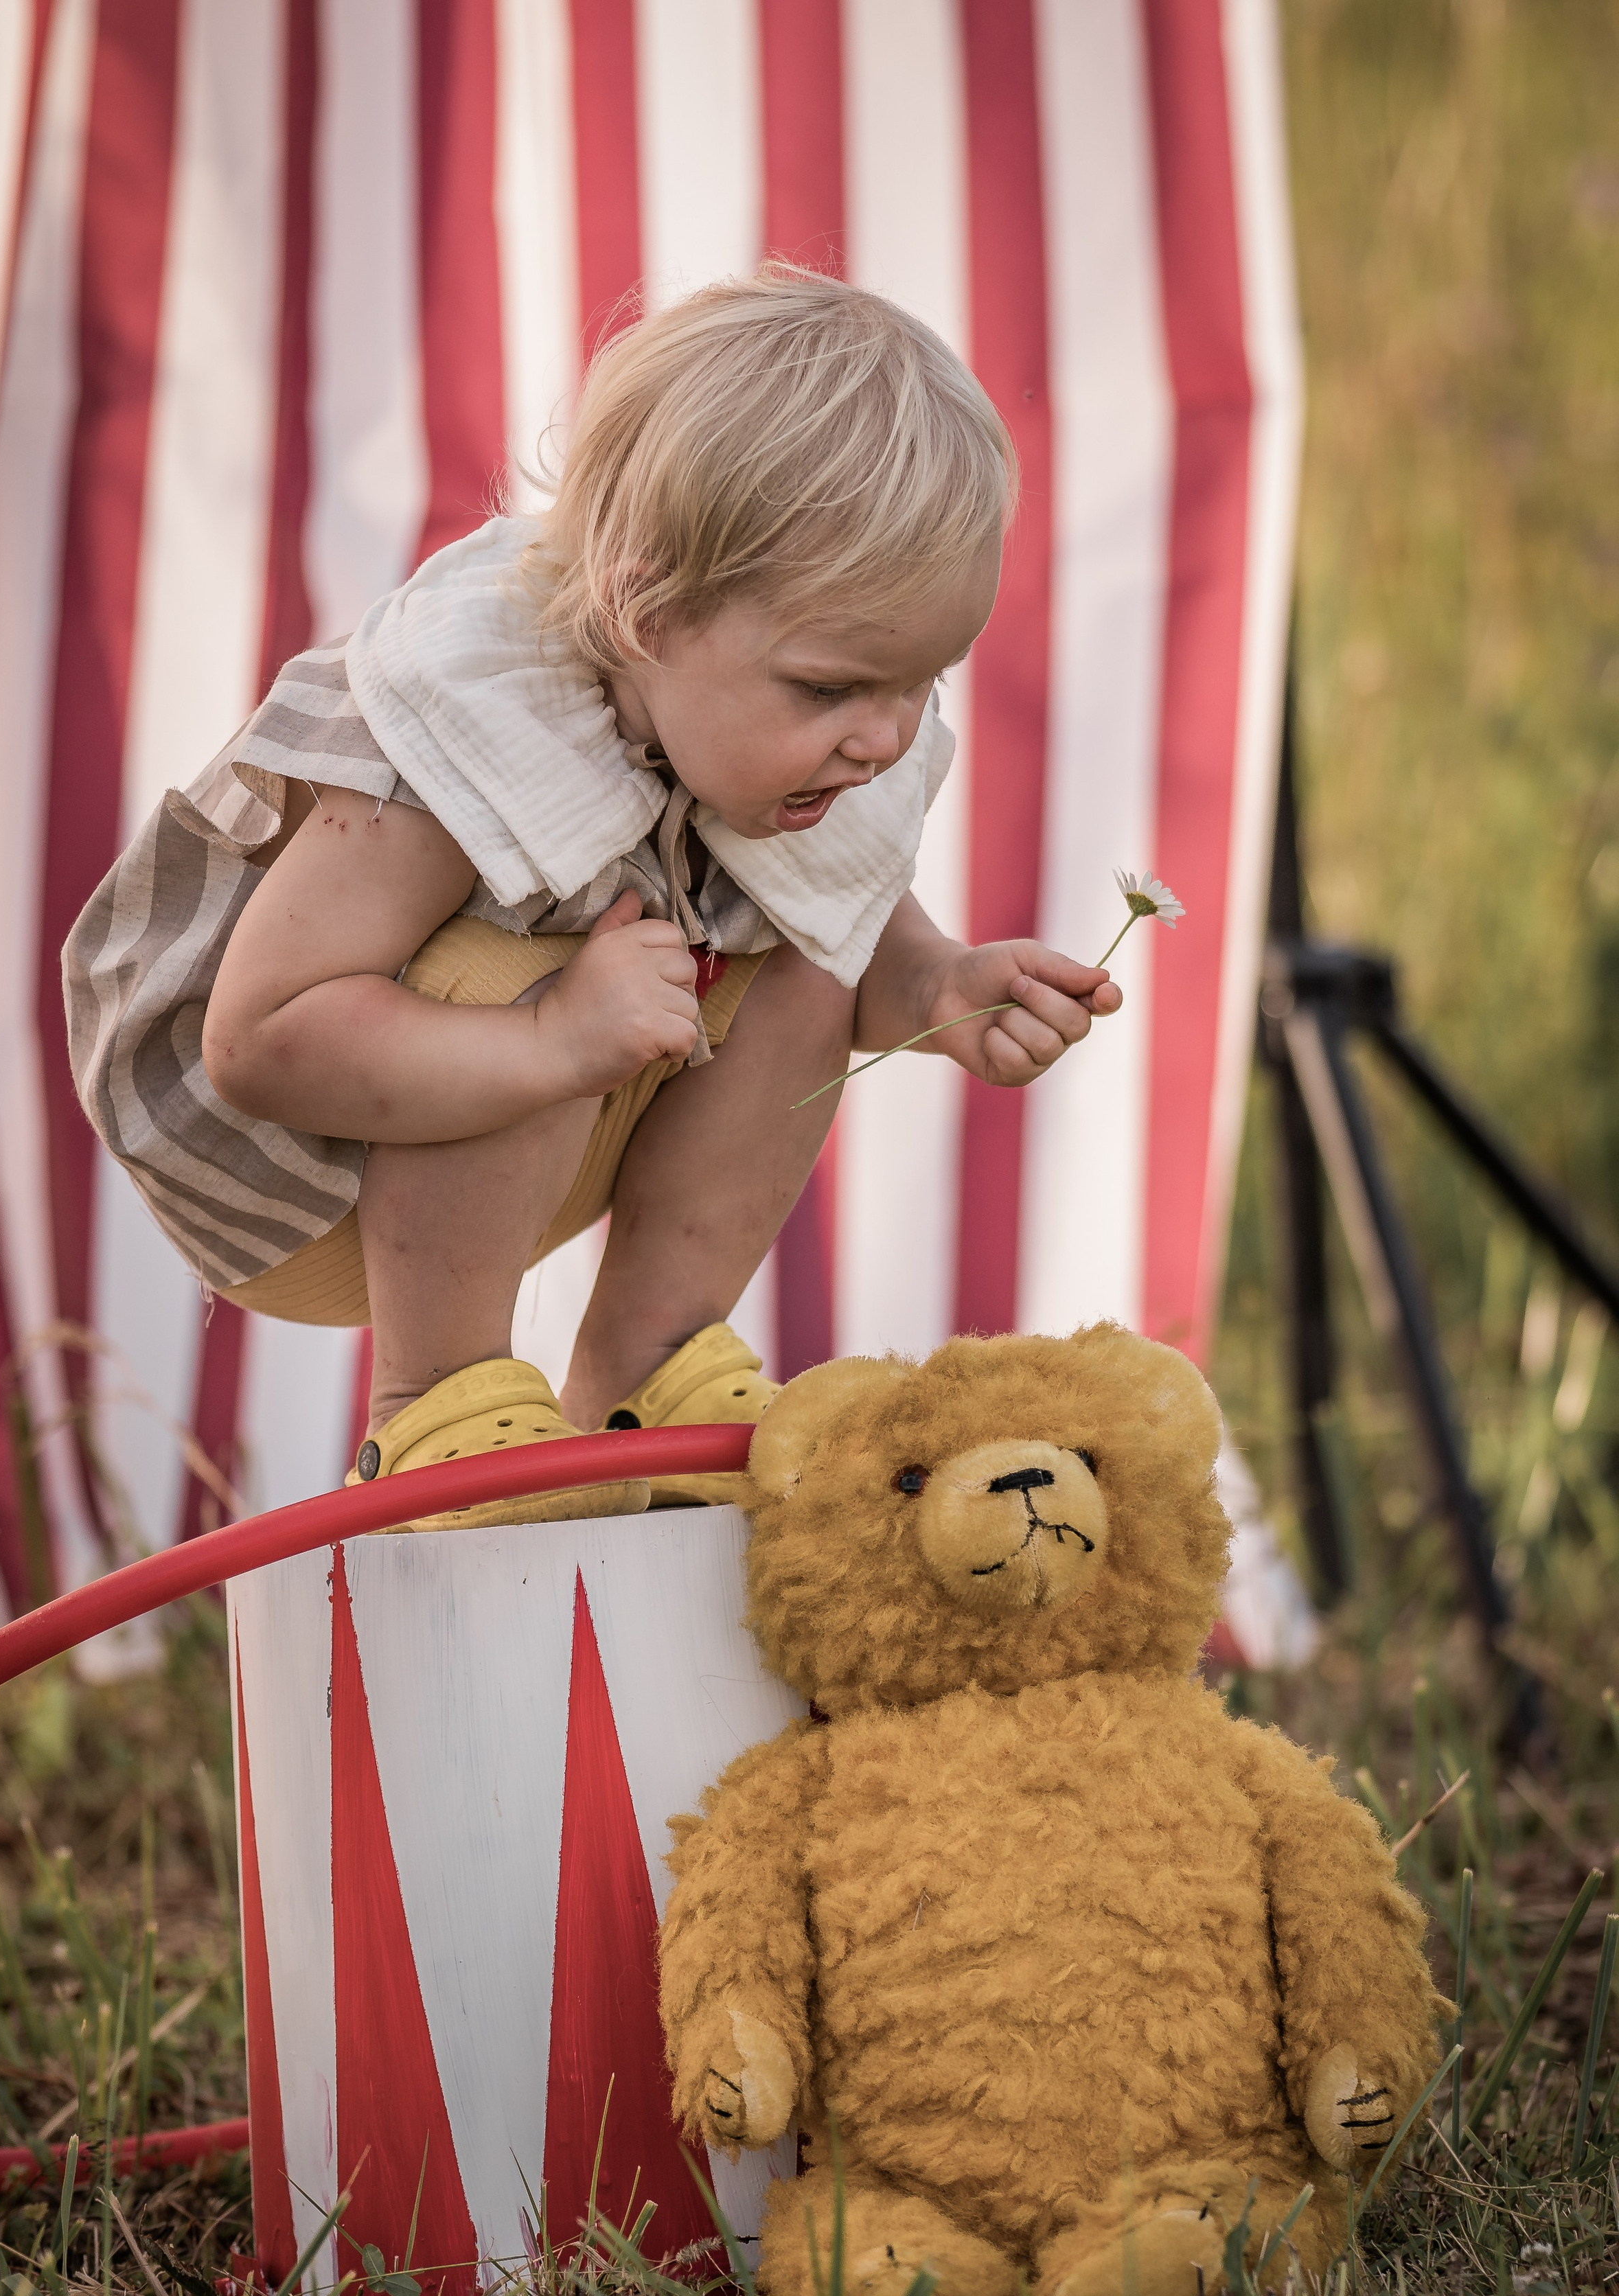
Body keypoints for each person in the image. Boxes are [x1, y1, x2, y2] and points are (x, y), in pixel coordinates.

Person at [65, 268, 1120, 1532]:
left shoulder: (768, 725)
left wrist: (936, 986)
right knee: (525, 959)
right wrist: (553, 1038)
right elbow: (257, 1043)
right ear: (645, 608)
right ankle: (436, 1410)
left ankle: (645, 1365)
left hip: (516, 1128)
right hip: (291, 1160)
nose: (886, 738)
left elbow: (845, 922)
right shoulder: (458, 735)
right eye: (832, 689)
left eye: (922, 684)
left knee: (810, 947)